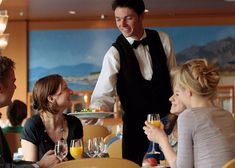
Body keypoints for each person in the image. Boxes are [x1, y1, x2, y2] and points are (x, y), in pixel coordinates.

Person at [89, 0, 176, 165]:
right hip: (135, 131)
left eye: (128, 18)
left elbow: (174, 80)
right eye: (117, 19)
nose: (122, 24)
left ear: (142, 15)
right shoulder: (114, 53)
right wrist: (95, 111)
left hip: (168, 126)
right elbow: (103, 94)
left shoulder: (163, 40)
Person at [143, 58, 235, 168]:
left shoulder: (188, 116)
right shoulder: (227, 115)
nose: (175, 97)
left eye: (177, 93)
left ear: (188, 92)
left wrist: (162, 139)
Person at [0, 56, 60, 168]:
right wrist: (40, 165)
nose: (15, 86)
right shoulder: (33, 124)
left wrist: (37, 164)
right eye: (13, 82)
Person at [21, 74, 83, 162]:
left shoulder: (74, 123)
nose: (71, 92)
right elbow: (31, 166)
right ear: (51, 98)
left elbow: (79, 163)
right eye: (65, 88)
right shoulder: (33, 125)